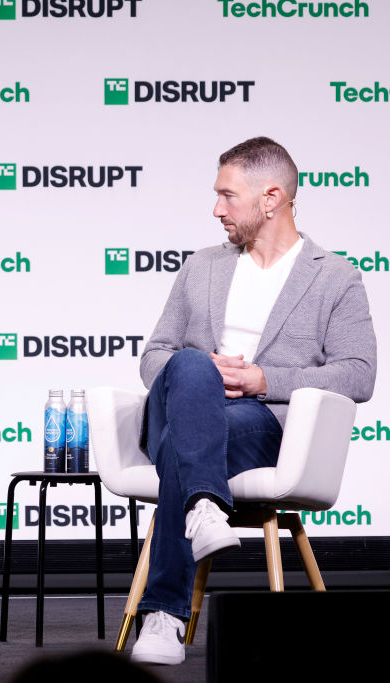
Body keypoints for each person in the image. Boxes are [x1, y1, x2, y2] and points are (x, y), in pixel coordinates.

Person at [130, 137, 376, 665]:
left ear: (271, 199)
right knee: (193, 363)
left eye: (227, 196)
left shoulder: (334, 277)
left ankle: (165, 614)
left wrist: (264, 379)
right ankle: (205, 506)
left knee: (182, 446)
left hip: (257, 424)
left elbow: (359, 374)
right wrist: (197, 370)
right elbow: (155, 357)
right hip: (176, 409)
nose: (216, 209)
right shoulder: (202, 266)